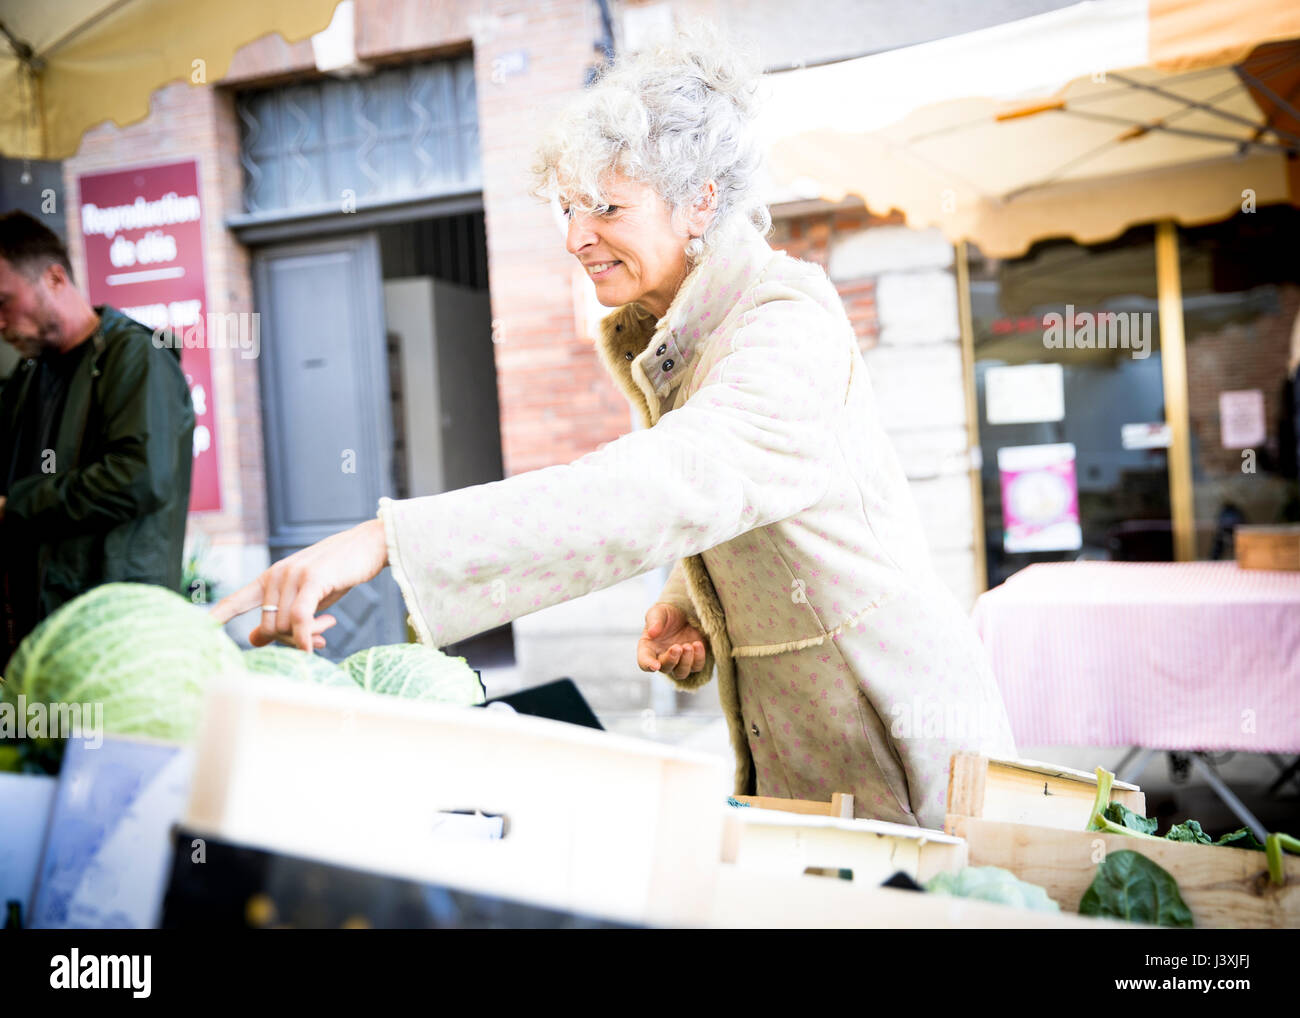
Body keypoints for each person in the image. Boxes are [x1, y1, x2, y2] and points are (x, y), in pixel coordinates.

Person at [212, 23, 1017, 829]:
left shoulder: (786, 315)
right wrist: (695, 596)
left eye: (605, 207)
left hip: (903, 743)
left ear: (700, 198)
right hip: (807, 755)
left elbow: (680, 477)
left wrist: (388, 540)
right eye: (567, 206)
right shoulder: (682, 327)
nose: (574, 237)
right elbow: (754, 495)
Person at [0, 210, 195, 669]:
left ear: (53, 278)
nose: (0, 323)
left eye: (3, 302)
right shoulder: (28, 377)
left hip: (117, 634)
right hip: (43, 635)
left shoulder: (137, 357)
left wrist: (18, 506)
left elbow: (140, 478)